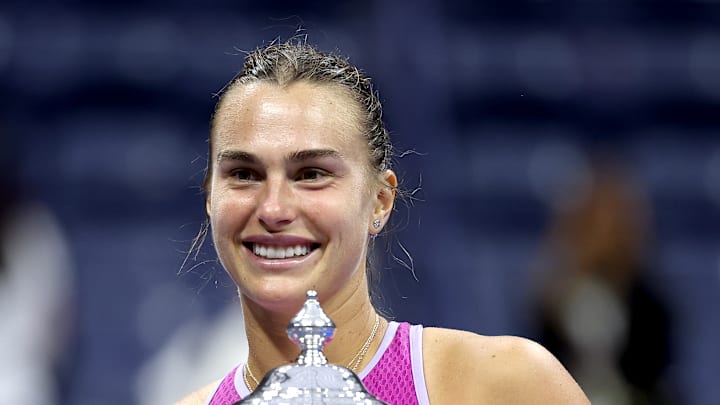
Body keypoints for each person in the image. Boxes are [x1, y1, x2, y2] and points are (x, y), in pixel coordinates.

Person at [175, 39, 589, 405]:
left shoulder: (503, 386)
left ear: (380, 201)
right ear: (210, 196)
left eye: (311, 174)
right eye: (244, 174)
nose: (273, 208)